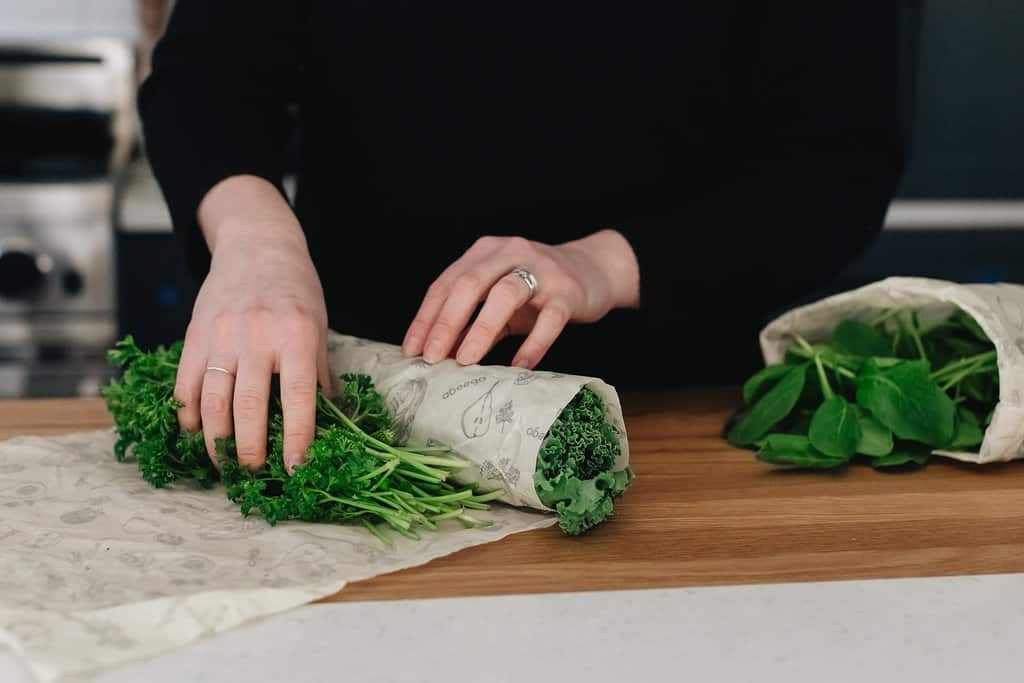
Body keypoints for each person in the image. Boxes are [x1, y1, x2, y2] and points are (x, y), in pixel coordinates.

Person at [139, 1, 905, 473]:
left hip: (675, 422)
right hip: (356, 399)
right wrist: (258, 245)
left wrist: (603, 264)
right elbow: (207, 75)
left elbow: (838, 163)